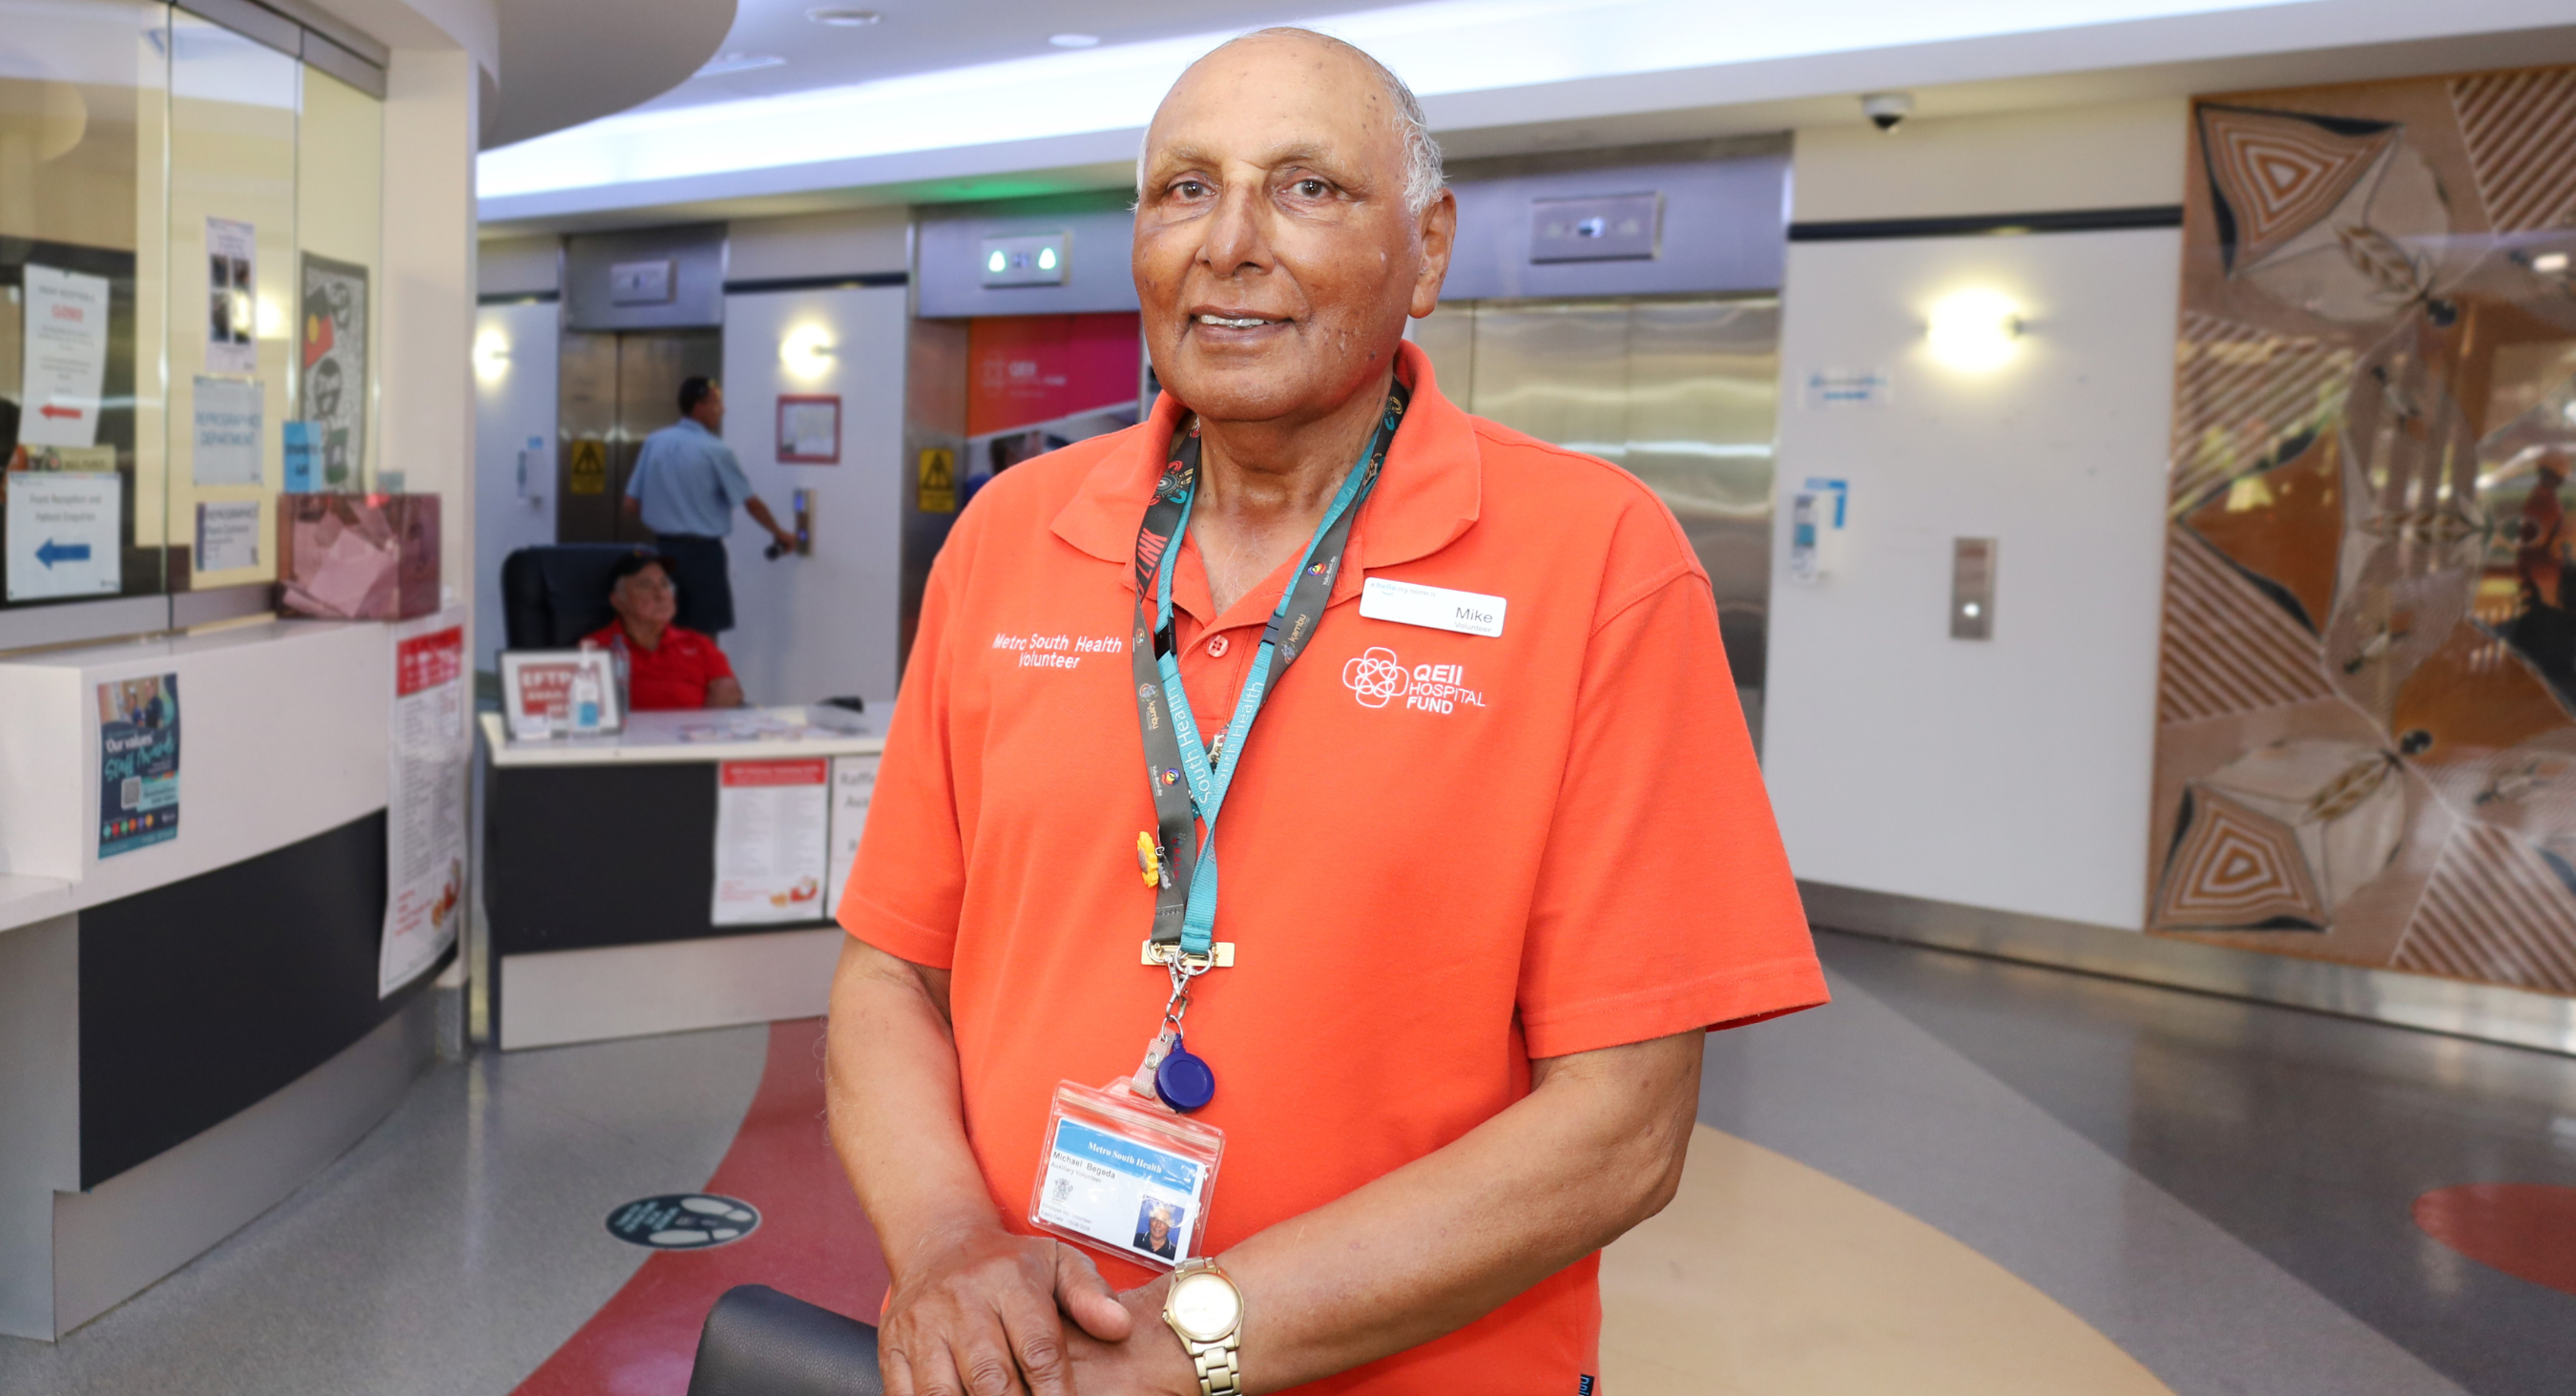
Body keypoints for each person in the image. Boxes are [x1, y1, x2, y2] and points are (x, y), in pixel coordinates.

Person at [825, 27, 1824, 1396]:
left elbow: (1622, 1128)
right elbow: (892, 970)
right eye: (1185, 187)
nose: (1230, 241)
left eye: (1307, 187)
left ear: (1428, 249)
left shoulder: (1595, 558)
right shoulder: (1013, 535)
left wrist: (1184, 1347)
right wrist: (946, 1245)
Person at [621, 377, 798, 635]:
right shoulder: (715, 450)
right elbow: (751, 503)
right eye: (717, 403)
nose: (722, 409)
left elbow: (630, 504)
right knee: (701, 641)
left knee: (662, 633)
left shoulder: (654, 442)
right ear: (699, 406)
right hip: (702, 558)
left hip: (660, 554)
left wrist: (668, 513)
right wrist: (779, 533)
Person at [584, 549, 744, 710]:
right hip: (631, 734)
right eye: (645, 585)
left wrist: (707, 728)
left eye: (664, 584)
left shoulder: (698, 644)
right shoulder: (596, 647)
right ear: (618, 601)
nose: (660, 595)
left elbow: (728, 690)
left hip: (691, 733)